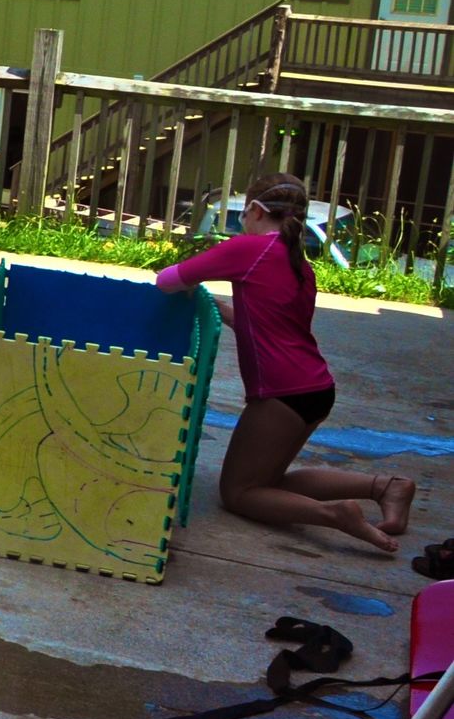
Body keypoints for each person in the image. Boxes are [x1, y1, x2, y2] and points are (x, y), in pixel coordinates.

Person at [157, 172, 416, 553]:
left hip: (281, 393)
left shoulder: (249, 249)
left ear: (257, 210)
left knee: (239, 494)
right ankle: (385, 486)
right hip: (315, 388)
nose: (241, 223)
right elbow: (270, 323)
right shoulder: (298, 263)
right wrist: (222, 309)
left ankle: (336, 515)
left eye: (243, 214)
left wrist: (194, 289)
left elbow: (167, 280)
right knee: (271, 481)